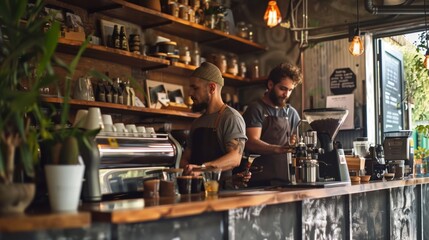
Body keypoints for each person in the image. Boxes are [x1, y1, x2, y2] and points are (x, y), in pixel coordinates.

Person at [180, 62, 248, 189]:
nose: (190, 93)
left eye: (195, 88)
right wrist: (186, 169)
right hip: (196, 190)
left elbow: (235, 158)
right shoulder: (197, 123)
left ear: (212, 88)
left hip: (221, 192)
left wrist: (203, 169)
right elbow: (186, 158)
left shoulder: (230, 118)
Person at [242, 62, 303, 187]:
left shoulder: (291, 113)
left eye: (290, 90)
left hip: (285, 179)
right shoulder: (256, 109)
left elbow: (295, 144)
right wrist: (278, 148)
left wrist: (293, 142)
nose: (286, 94)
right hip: (258, 180)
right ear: (270, 85)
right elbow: (251, 142)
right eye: (282, 89)